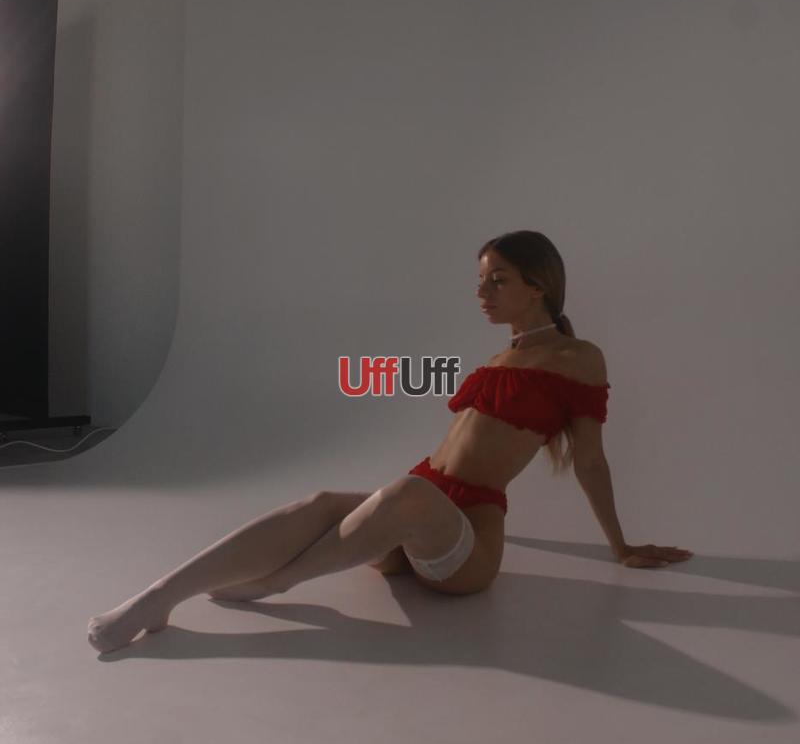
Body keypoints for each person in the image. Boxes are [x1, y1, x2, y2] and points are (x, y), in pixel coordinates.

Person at [87, 229, 692, 653]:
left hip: (465, 539)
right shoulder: (502, 355)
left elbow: (590, 460)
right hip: (421, 512)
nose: (481, 292)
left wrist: (620, 546)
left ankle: (276, 581)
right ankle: (157, 598)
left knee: (406, 492)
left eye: (497, 280)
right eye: (480, 280)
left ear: (538, 286)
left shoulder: (579, 358)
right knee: (325, 500)